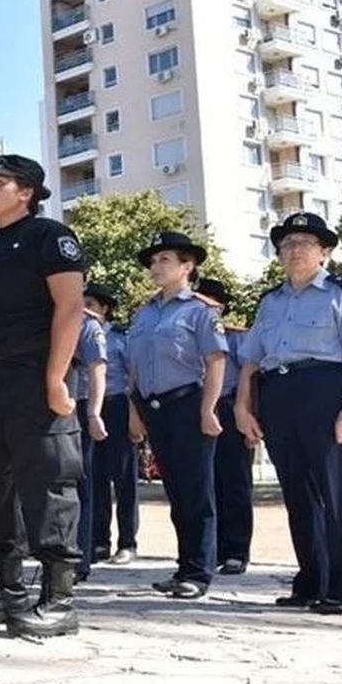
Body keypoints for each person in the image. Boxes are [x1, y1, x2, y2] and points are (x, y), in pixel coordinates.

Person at [0, 154, 85, 639]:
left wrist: (55, 377)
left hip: (31, 376)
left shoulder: (51, 238)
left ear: (26, 191)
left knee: (48, 485)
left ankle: (59, 597)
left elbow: (71, 308)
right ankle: (8, 589)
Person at [235, 211, 342, 614]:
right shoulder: (270, 302)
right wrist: (242, 406)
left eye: (305, 243)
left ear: (324, 252)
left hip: (326, 390)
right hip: (279, 394)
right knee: (298, 494)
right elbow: (252, 360)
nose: (294, 250)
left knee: (340, 494)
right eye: (286, 244)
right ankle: (313, 579)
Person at [126, 232, 224, 599]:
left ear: (187, 265)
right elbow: (134, 366)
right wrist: (135, 415)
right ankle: (184, 566)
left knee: (197, 492)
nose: (156, 267)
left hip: (187, 403)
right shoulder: (144, 313)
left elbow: (216, 361)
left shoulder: (200, 311)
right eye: (153, 261)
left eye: (164, 259)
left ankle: (199, 572)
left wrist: (208, 408)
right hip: (152, 408)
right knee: (176, 493)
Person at [196, 277, 254, 576]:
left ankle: (236, 550)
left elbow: (252, 378)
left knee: (235, 483)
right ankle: (210, 549)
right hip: (194, 409)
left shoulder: (237, 338)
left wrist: (251, 419)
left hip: (230, 409)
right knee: (205, 483)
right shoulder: (188, 334)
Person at [85, 284, 138, 565]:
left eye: (91, 304)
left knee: (124, 477)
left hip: (118, 405)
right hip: (88, 406)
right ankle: (98, 540)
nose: (85, 308)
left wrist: (134, 416)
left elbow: (133, 378)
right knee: (94, 477)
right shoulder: (78, 333)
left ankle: (127, 542)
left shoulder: (120, 338)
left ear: (104, 308)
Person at [70, 288, 108, 582]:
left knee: (80, 483)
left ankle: (78, 557)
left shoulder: (87, 323)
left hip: (79, 405)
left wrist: (94, 413)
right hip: (47, 407)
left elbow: (97, 370)